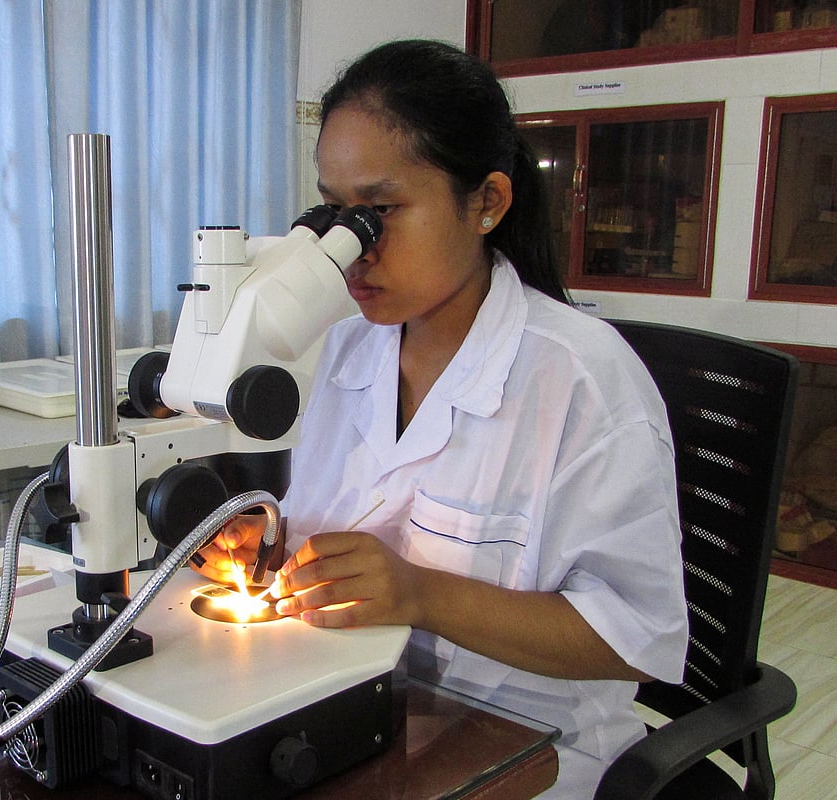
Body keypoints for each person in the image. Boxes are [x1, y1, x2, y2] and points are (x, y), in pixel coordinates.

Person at [195, 39, 687, 798]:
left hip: (529, 742)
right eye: (334, 211)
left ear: (486, 201)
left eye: (379, 212)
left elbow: (636, 639)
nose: (349, 250)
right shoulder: (349, 350)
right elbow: (330, 519)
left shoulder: (581, 378)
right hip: (358, 702)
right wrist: (271, 542)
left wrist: (421, 594)